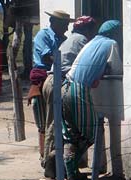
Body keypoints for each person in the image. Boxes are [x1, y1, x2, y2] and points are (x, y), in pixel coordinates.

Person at [61, 20, 125, 180]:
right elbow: (117, 68)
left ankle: (70, 173)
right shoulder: (111, 43)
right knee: (90, 133)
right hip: (79, 89)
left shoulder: (91, 42)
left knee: (72, 133)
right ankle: (71, 163)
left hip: (65, 87)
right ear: (115, 32)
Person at [42, 16, 97, 179]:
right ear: (87, 29)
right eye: (92, 30)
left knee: (59, 126)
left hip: (53, 81)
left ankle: (59, 166)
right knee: (56, 126)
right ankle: (51, 166)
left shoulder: (72, 38)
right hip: (58, 82)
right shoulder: (82, 40)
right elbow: (86, 61)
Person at [27, 10, 74, 179]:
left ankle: (59, 161)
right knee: (47, 122)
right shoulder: (43, 35)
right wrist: (65, 63)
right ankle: (46, 159)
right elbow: (47, 57)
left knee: (61, 121)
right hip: (44, 78)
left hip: (59, 78)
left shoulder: (65, 40)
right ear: (54, 22)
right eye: (64, 24)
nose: (67, 27)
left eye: (68, 24)